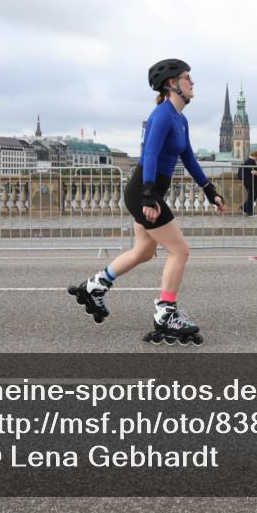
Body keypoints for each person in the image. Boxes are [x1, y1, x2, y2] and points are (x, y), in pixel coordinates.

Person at [67, 59, 225, 345]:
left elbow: (188, 157)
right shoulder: (162, 115)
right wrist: (150, 195)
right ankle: (166, 312)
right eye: (187, 78)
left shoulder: (180, 119)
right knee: (180, 251)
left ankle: (95, 286)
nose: (192, 83)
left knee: (143, 251)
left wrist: (209, 189)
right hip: (144, 190)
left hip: (147, 191)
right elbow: (149, 154)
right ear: (171, 84)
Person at [240, 150, 257, 216]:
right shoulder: (250, 161)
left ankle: (245, 207)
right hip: (250, 182)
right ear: (255, 156)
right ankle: (250, 212)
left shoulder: (249, 161)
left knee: (255, 194)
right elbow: (252, 172)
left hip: (249, 181)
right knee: (252, 196)